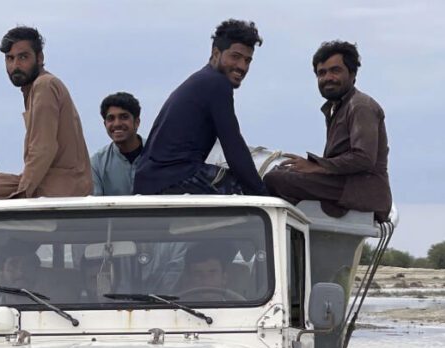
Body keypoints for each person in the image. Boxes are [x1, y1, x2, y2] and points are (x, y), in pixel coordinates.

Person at [0, 26, 92, 202]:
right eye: (10, 59)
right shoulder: (35, 89)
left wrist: (22, 195)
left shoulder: (44, 85)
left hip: (59, 188)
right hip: (54, 183)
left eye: (23, 57)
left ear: (40, 58)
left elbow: (43, 148)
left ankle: (27, 219)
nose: (15, 66)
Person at [133, 20, 267, 196]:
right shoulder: (216, 83)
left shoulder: (200, 80)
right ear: (215, 53)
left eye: (247, 60)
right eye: (235, 57)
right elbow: (234, 147)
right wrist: (264, 196)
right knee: (247, 191)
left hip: (149, 181)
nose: (242, 66)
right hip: (174, 178)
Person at [263, 40, 392, 220]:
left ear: (353, 73)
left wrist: (317, 167)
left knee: (274, 180)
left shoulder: (360, 106)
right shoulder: (337, 108)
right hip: (344, 184)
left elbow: (364, 158)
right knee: (281, 172)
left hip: (361, 190)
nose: (327, 78)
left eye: (335, 71)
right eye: (321, 73)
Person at [90, 92, 144, 195]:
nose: (117, 124)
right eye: (111, 118)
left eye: (124, 117)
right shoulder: (97, 163)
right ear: (105, 124)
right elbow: (96, 207)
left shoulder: (157, 154)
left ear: (137, 122)